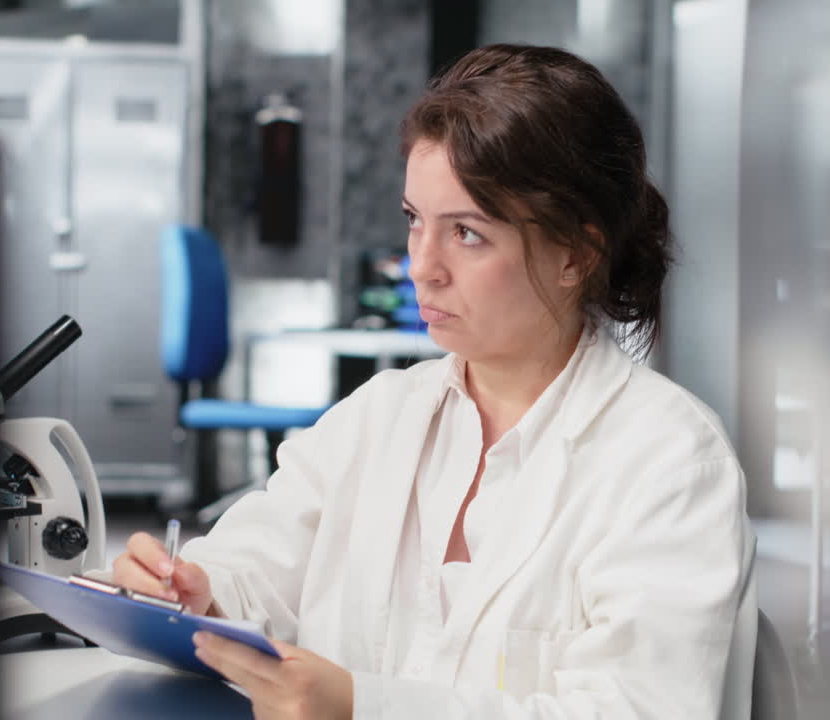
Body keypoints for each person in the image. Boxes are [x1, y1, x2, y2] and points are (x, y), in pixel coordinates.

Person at [114, 43, 755, 719]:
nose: (421, 266)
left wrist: (361, 707)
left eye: (467, 233)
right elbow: (255, 567)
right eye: (415, 220)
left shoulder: (669, 460)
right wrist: (191, 592)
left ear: (576, 254)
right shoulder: (378, 416)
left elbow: (637, 708)